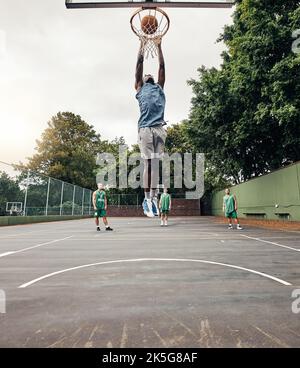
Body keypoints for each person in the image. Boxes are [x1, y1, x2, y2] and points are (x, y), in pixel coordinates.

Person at [135, 37, 167, 218]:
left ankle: (153, 197)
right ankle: (146, 198)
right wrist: (142, 44)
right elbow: (139, 64)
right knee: (148, 163)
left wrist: (159, 46)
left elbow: (162, 67)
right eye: (146, 74)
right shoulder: (139, 87)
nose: (149, 74)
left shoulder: (159, 87)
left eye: (150, 74)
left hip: (159, 129)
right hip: (146, 128)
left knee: (156, 164)